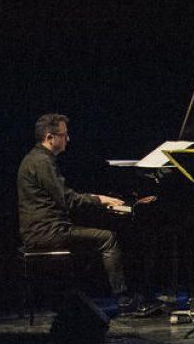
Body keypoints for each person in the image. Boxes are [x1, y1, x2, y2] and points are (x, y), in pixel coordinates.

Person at [17, 113, 135, 310]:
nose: (68, 139)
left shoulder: (36, 159)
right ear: (49, 138)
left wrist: (95, 199)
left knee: (91, 240)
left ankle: (79, 297)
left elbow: (64, 198)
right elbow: (68, 200)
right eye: (64, 135)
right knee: (108, 238)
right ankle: (123, 298)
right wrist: (100, 199)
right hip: (47, 233)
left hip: (43, 230)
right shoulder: (42, 162)